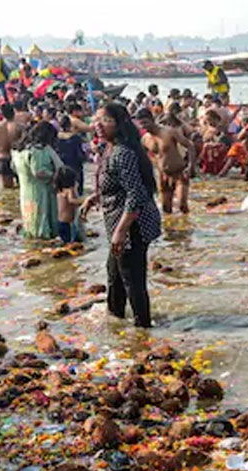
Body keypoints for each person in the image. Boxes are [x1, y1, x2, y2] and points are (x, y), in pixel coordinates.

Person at [79, 103, 162, 328]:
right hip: (121, 223)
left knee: (132, 280)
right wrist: (94, 197)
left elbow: (135, 195)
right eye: (96, 120)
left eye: (105, 120)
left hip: (132, 225)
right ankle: (115, 321)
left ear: (119, 124)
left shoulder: (123, 152)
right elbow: (115, 184)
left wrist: (120, 232)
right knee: (114, 275)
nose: (98, 125)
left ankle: (143, 329)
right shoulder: (111, 148)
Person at [137, 108, 195, 214]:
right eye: (141, 124)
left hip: (179, 173)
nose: (144, 126)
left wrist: (191, 166)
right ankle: (170, 229)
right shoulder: (145, 139)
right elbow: (142, 160)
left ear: (152, 119)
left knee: (182, 205)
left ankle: (188, 228)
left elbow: (190, 145)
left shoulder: (169, 132)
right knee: (166, 209)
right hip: (162, 176)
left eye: (145, 122)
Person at [13, 121, 63, 240]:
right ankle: (44, 240)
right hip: (41, 191)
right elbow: (39, 172)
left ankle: (33, 241)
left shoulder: (18, 150)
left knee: (30, 218)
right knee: (42, 219)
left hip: (25, 191)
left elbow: (13, 168)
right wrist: (54, 175)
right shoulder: (39, 150)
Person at [56, 115, 88, 195]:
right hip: (75, 164)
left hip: (61, 164)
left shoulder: (56, 137)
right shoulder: (75, 138)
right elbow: (80, 152)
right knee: (76, 188)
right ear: (70, 125)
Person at [55, 166, 83, 244]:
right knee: (71, 243)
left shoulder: (60, 191)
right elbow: (72, 201)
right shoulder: (69, 190)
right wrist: (84, 201)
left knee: (64, 242)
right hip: (68, 224)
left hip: (60, 222)